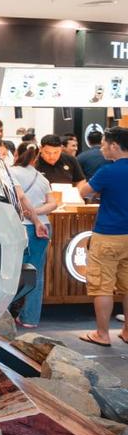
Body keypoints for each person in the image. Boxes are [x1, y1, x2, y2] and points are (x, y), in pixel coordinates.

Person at [77, 126, 128, 346]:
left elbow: (83, 192)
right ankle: (127, 332)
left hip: (108, 234)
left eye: (105, 144)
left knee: (102, 286)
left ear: (115, 146)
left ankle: (102, 334)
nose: (102, 148)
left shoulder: (108, 171)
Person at [9, 145, 57, 328]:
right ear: (36, 157)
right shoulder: (42, 178)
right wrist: (36, 214)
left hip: (22, 226)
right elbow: (53, 204)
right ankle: (30, 318)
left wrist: (31, 215)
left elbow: (20, 197)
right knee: (36, 273)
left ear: (16, 154)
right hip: (43, 226)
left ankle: (2, 316)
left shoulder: (11, 172)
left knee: (11, 271)